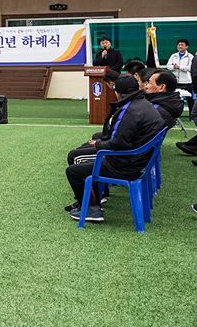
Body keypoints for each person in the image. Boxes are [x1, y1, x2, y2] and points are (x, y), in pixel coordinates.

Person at [64, 75, 166, 223]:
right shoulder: (144, 104)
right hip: (139, 161)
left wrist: (98, 144)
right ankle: (86, 201)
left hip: (125, 164)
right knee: (80, 157)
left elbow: (119, 144)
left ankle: (92, 208)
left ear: (117, 93)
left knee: (74, 168)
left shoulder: (129, 110)